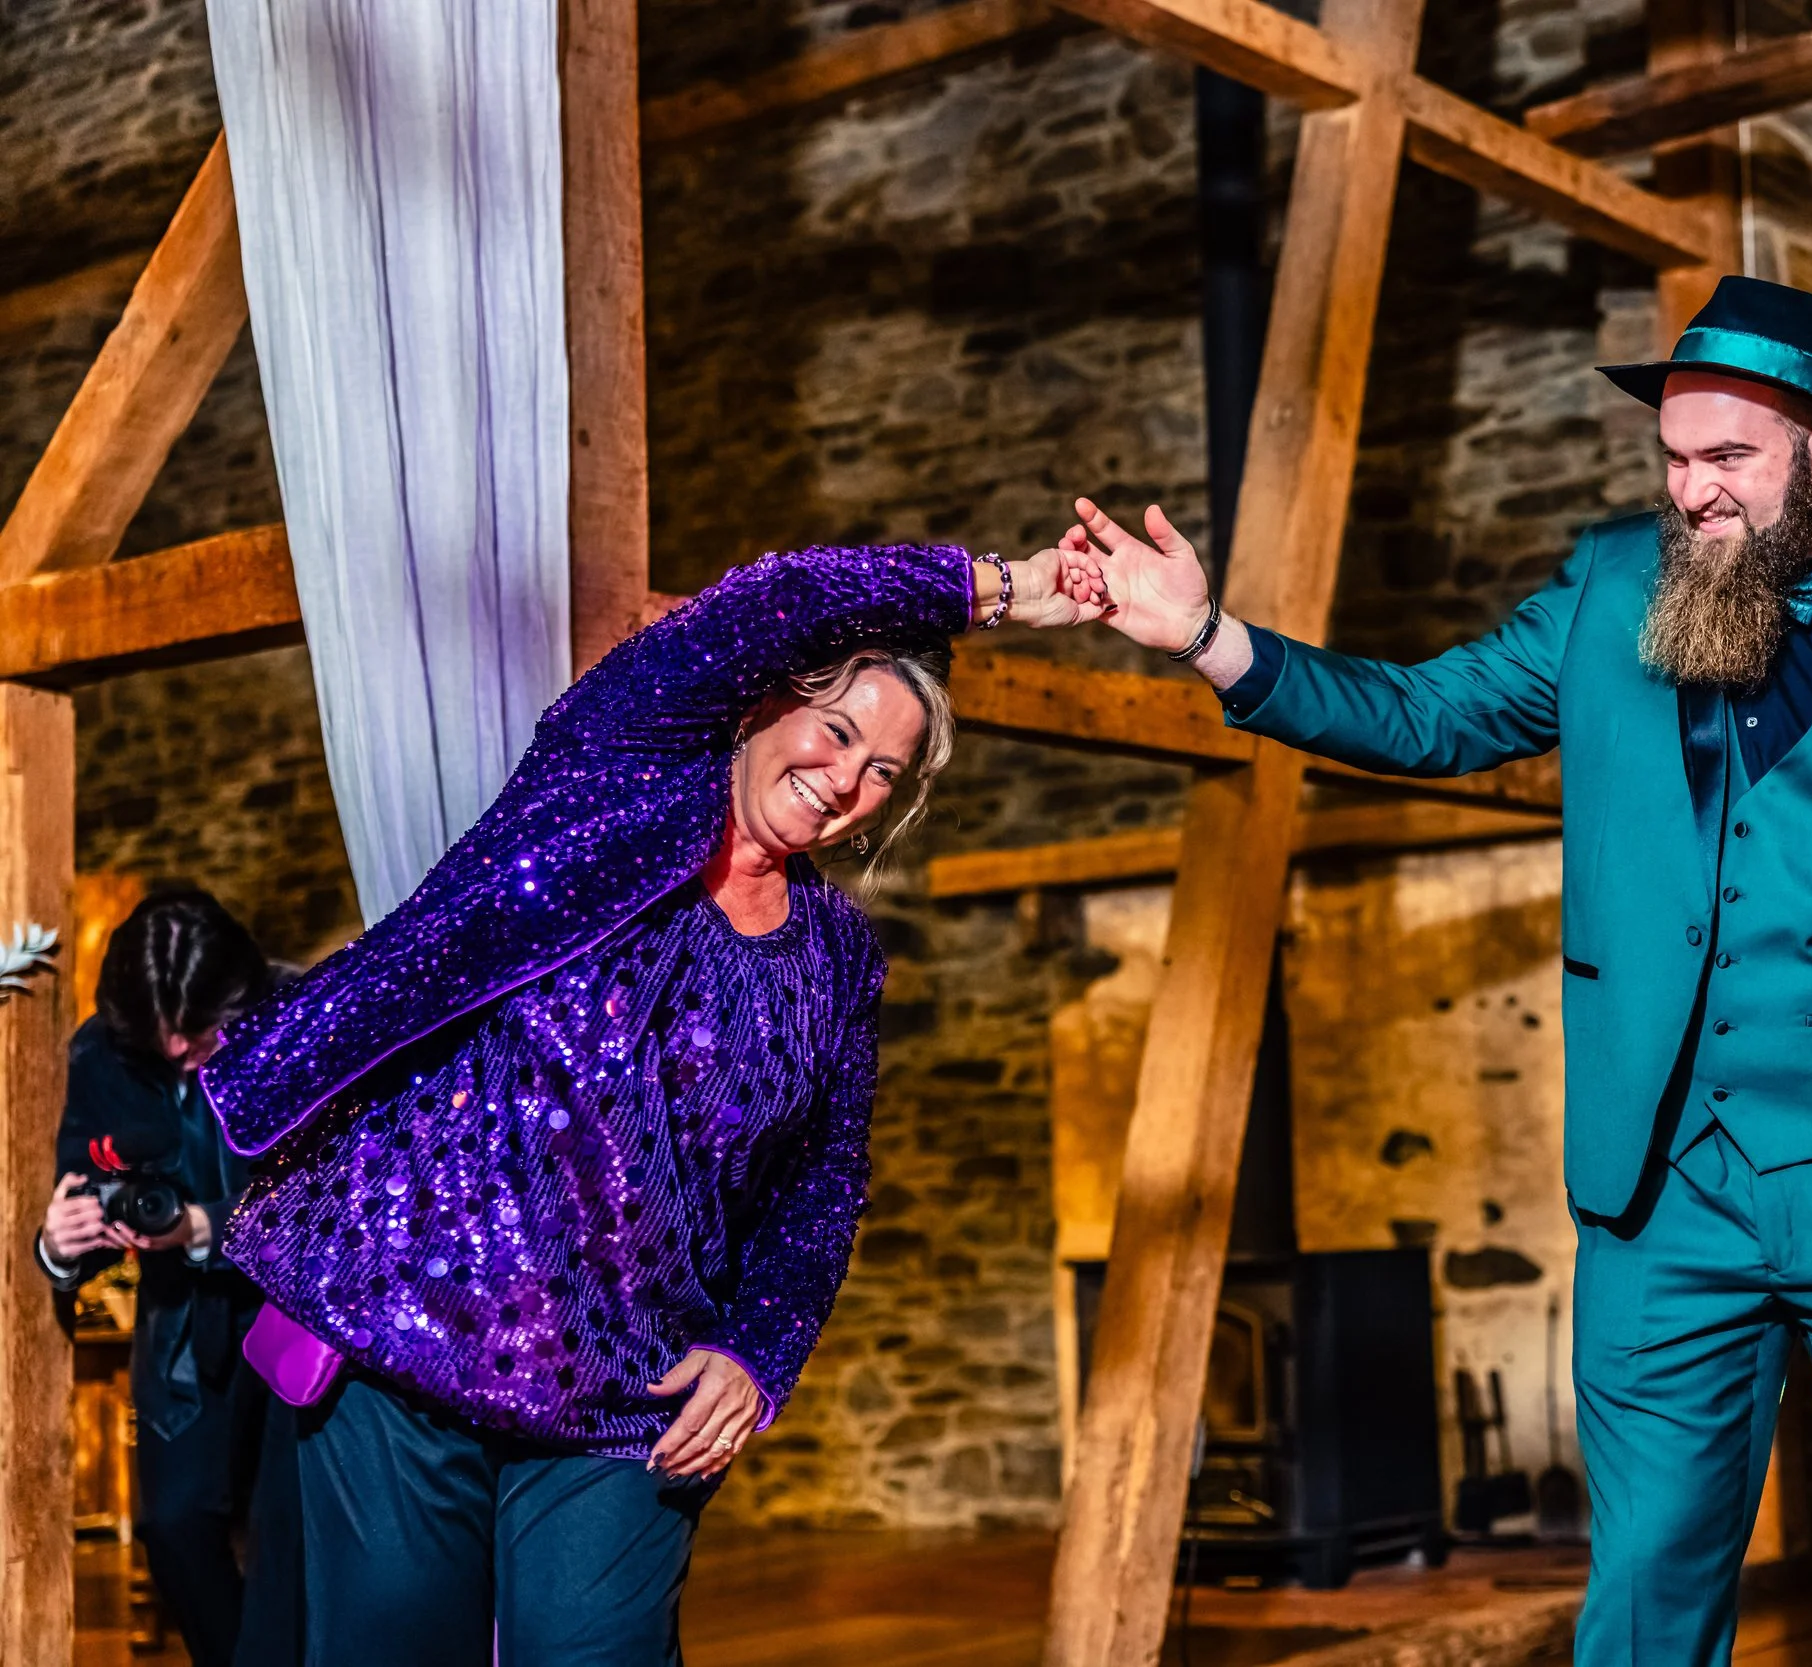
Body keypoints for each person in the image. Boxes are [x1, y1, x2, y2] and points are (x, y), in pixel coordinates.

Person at [1042, 276, 1812, 1664]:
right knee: (1644, 1599)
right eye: (1674, 457)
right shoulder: (1605, 595)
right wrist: (1207, 638)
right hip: (1665, 1193)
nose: (1693, 490)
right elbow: (1423, 713)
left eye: (1729, 458)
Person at [198, 542, 1095, 1667]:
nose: (848, 775)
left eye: (885, 770)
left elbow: (820, 1189)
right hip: (404, 1325)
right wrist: (1005, 590)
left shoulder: (835, 958)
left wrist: (756, 1352)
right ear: (768, 700)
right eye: (839, 730)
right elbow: (784, 595)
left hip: (627, 1390)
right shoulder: (611, 775)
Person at [38, 891, 274, 1667]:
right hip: (181, 1338)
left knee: (295, 1540)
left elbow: (335, 1193)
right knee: (173, 1528)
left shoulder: (298, 1012)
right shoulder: (100, 1055)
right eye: (159, 1040)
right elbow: (89, 1190)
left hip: (294, 1329)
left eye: (200, 1031)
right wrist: (63, 1244)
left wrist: (208, 1225)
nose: (179, 1050)